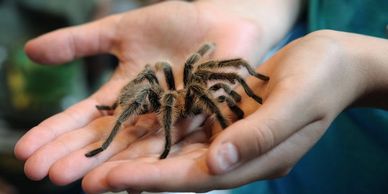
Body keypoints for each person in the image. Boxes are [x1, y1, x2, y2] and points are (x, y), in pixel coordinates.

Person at [13, 0, 388, 194]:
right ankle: (114, 119)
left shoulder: (199, 86)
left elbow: (225, 75)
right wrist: (241, 14)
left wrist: (363, 71)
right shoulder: (165, 96)